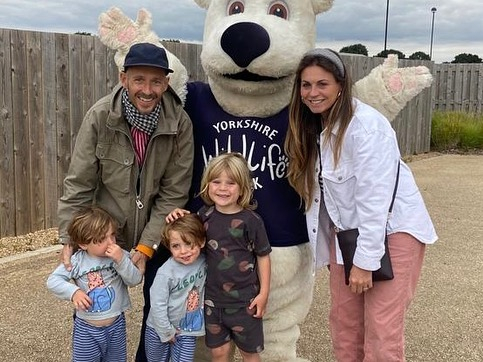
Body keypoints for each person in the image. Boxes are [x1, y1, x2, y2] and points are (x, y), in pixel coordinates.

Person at [284, 48, 438, 361]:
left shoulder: (366, 126)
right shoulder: (316, 128)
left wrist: (365, 262)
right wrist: (332, 247)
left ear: (341, 84)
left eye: (322, 84)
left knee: (381, 331)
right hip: (348, 237)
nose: (313, 93)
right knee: (344, 324)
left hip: (391, 232)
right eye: (306, 85)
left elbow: (375, 199)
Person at [56, 42, 194, 361]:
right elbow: (79, 182)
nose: (147, 89)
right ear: (123, 78)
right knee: (95, 305)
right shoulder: (100, 116)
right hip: (106, 231)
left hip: (157, 233)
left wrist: (146, 247)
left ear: (166, 83)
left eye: (156, 81)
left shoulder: (180, 124)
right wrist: (68, 237)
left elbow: (174, 193)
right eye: (139, 80)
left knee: (162, 308)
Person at [168, 152, 272, 362]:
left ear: (242, 187)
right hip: (212, 302)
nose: (223, 188)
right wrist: (176, 215)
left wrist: (264, 293)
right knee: (219, 353)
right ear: (207, 184)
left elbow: (263, 256)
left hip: (246, 302)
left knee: (250, 353)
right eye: (216, 181)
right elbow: (185, 236)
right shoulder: (202, 217)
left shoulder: (252, 221)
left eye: (231, 183)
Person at [47, 206, 143, 362]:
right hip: (87, 328)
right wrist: (74, 292)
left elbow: (135, 280)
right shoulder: (77, 261)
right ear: (84, 244)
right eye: (101, 239)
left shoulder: (120, 255)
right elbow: (53, 280)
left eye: (112, 235)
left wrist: (121, 261)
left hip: (116, 325)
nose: (111, 242)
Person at [145, 213, 207, 362]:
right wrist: (166, 331)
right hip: (159, 328)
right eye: (176, 246)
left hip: (188, 329)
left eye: (189, 244)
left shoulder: (204, 262)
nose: (183, 251)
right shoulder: (166, 272)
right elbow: (157, 303)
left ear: (202, 242)